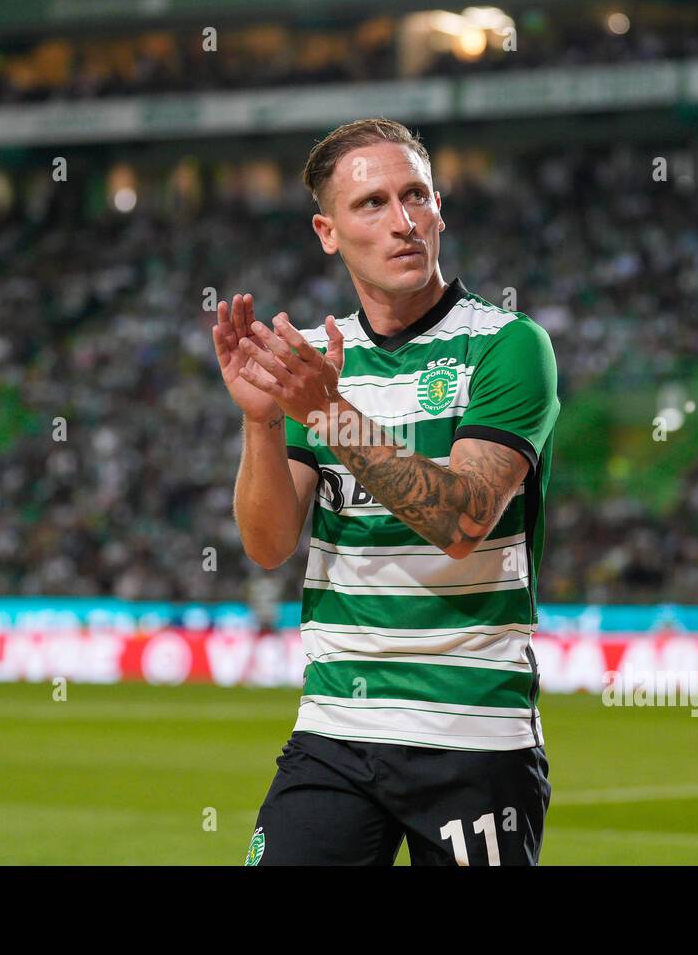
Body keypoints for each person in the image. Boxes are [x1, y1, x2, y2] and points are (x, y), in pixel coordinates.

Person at [212, 117, 561, 865]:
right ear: (327, 231)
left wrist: (329, 413)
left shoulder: (507, 346)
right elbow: (269, 544)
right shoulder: (314, 362)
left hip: (471, 736)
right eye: (372, 204)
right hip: (335, 729)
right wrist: (264, 425)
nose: (403, 222)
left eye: (417, 197)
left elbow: (463, 519)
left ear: (440, 209)